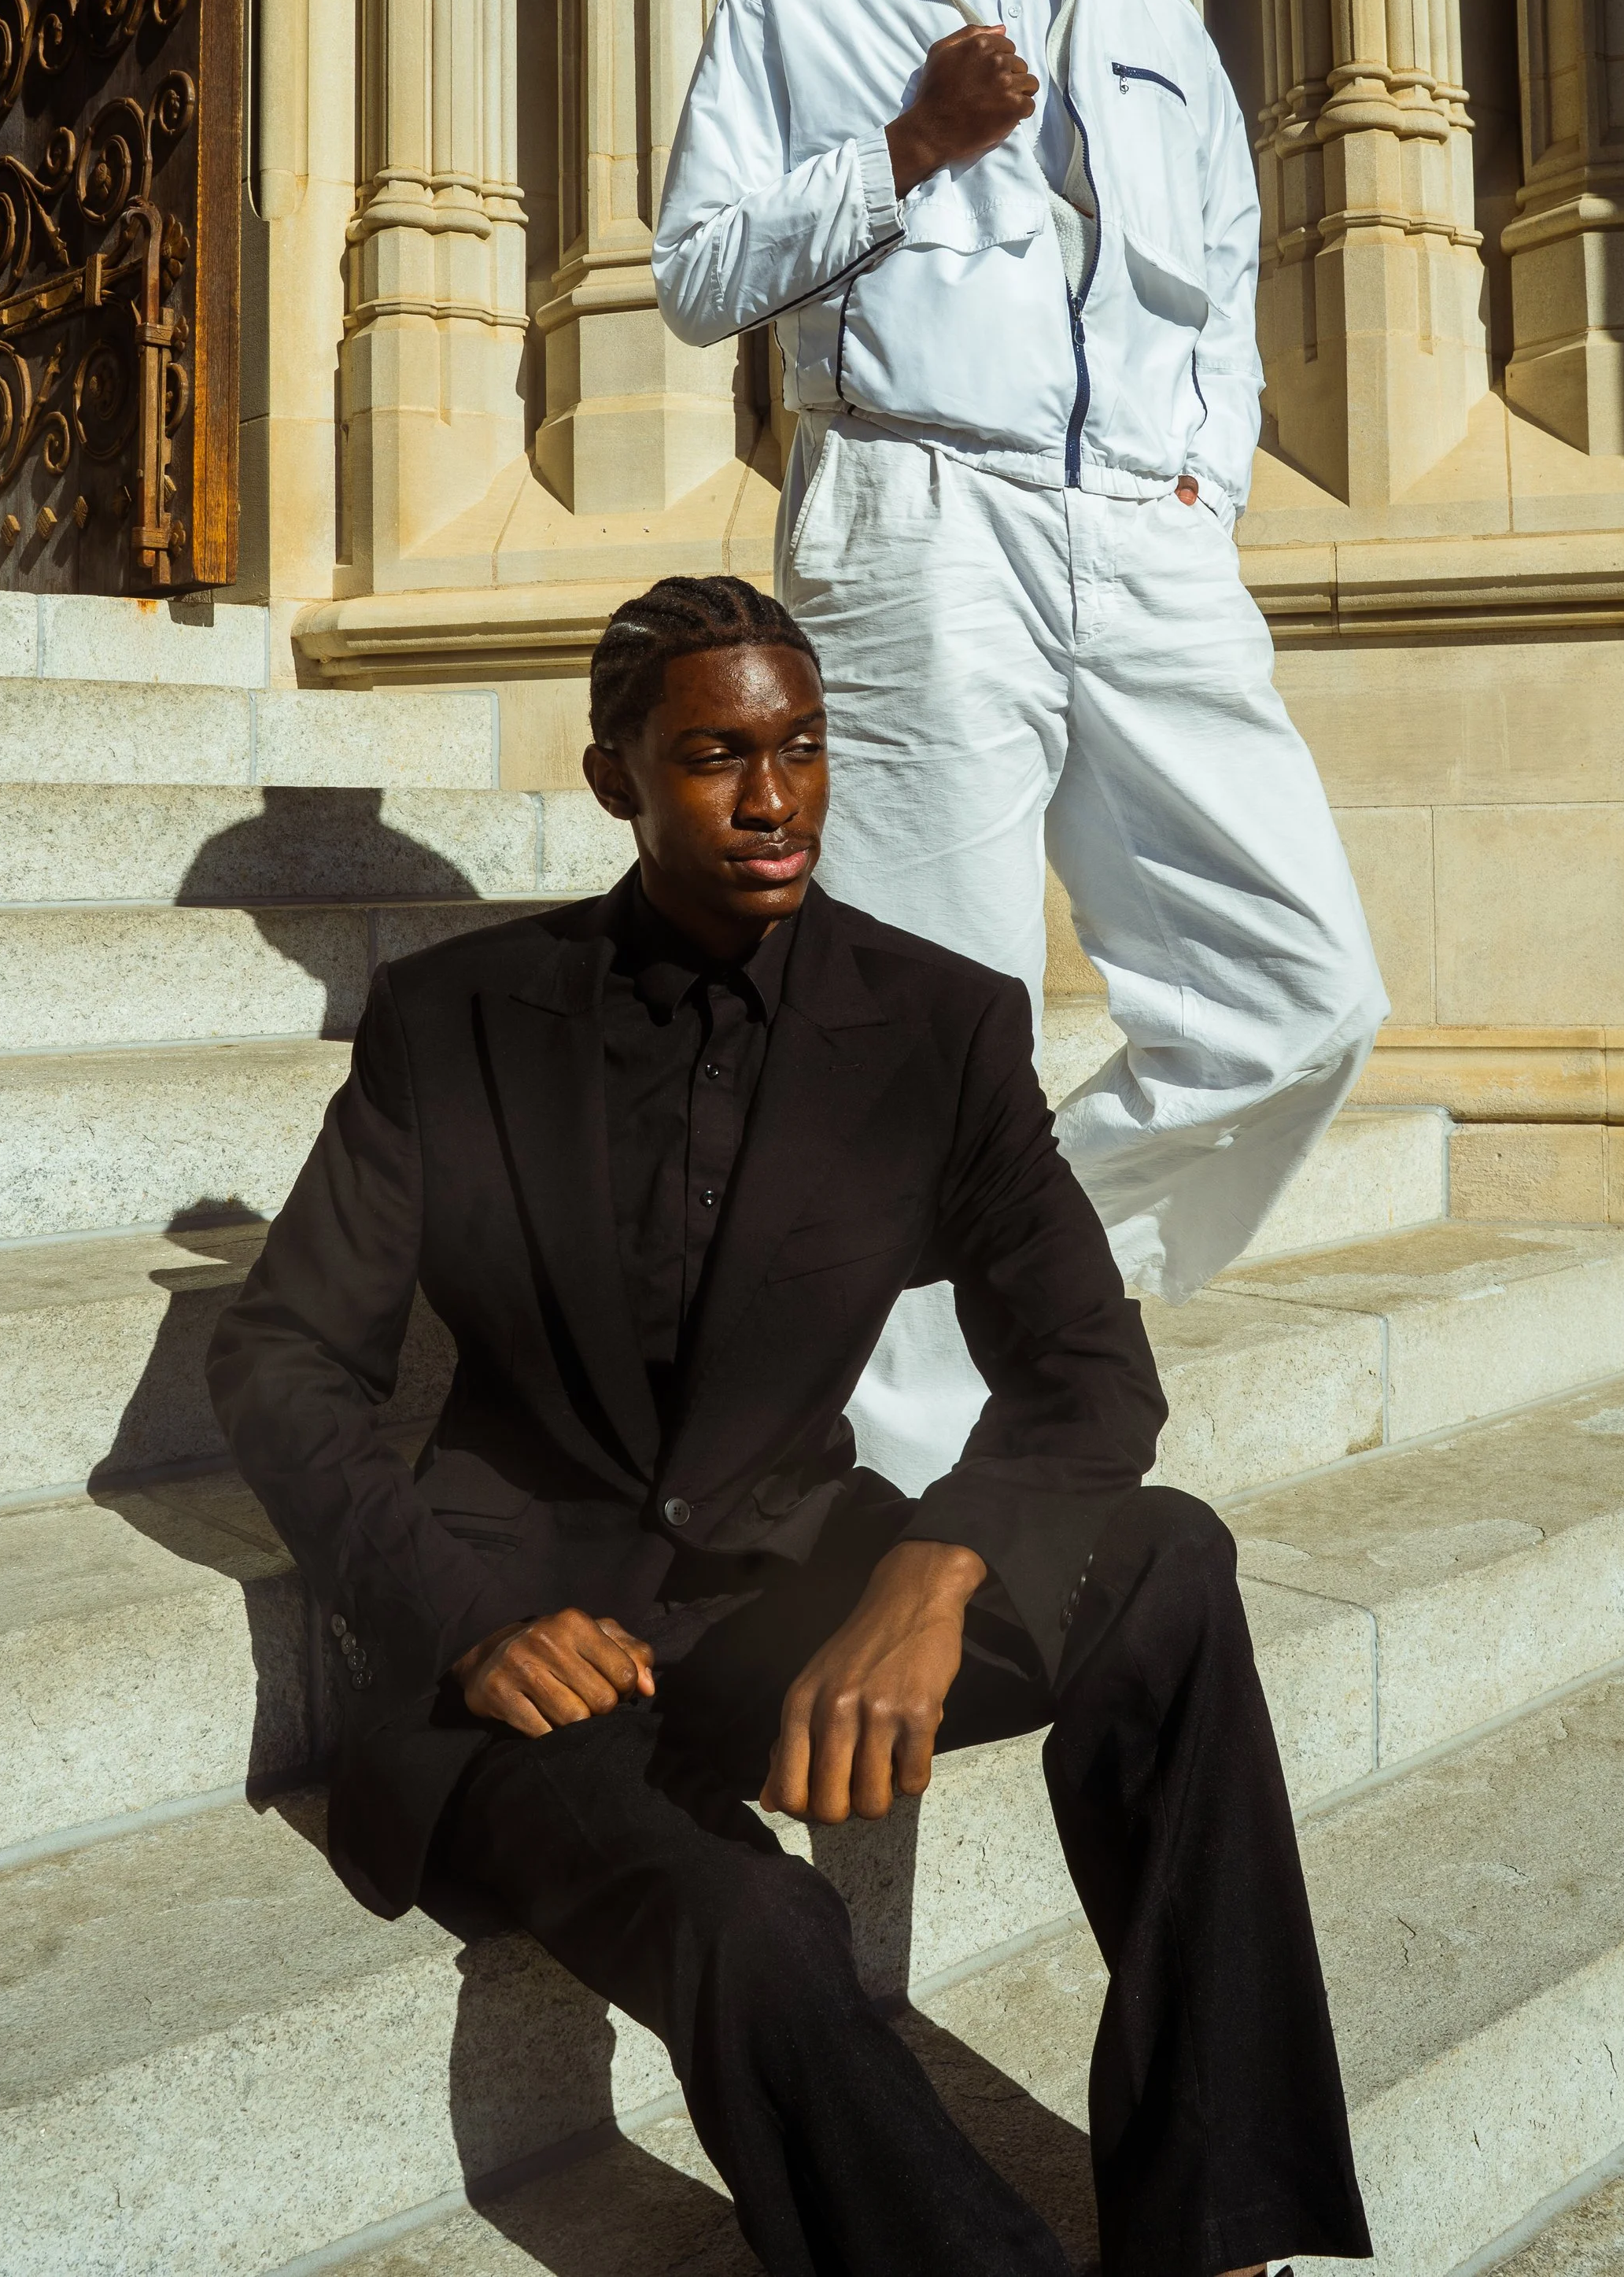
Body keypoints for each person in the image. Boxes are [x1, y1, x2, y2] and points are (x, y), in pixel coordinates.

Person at [208, 573, 1371, 2277]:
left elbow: (1086, 1373)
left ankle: (1215, 2230)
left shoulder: (934, 1028)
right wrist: (462, 1625)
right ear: (613, 777)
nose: (773, 799)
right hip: (532, 1647)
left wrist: (934, 1573)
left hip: (782, 1598)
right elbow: (285, 1356)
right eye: (714, 757)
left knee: (1167, 1562)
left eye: (802, 748)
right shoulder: (455, 1022)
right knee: (756, 1923)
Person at [652, 0, 1388, 1497]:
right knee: (934, 1028)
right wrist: (899, 151)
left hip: (1139, 545)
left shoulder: (1159, 33)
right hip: (919, 521)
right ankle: (905, 1499)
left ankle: (1016, 1284)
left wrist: (1196, 501)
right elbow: (692, 275)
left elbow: (1219, 295)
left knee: (1302, 996)